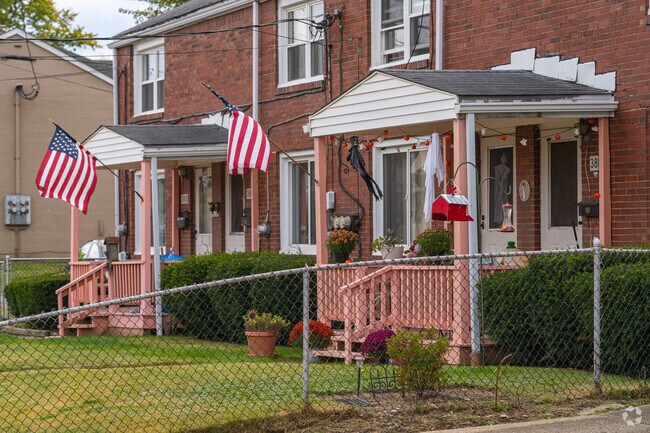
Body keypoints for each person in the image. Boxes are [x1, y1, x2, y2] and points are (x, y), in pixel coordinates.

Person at [492, 152, 511, 227]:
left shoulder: (507, 169)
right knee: (498, 201)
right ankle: (498, 218)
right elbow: (497, 178)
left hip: (504, 187)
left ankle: (502, 219)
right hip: (498, 187)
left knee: (502, 201)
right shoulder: (497, 168)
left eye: (505, 158)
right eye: (503, 157)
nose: (504, 159)